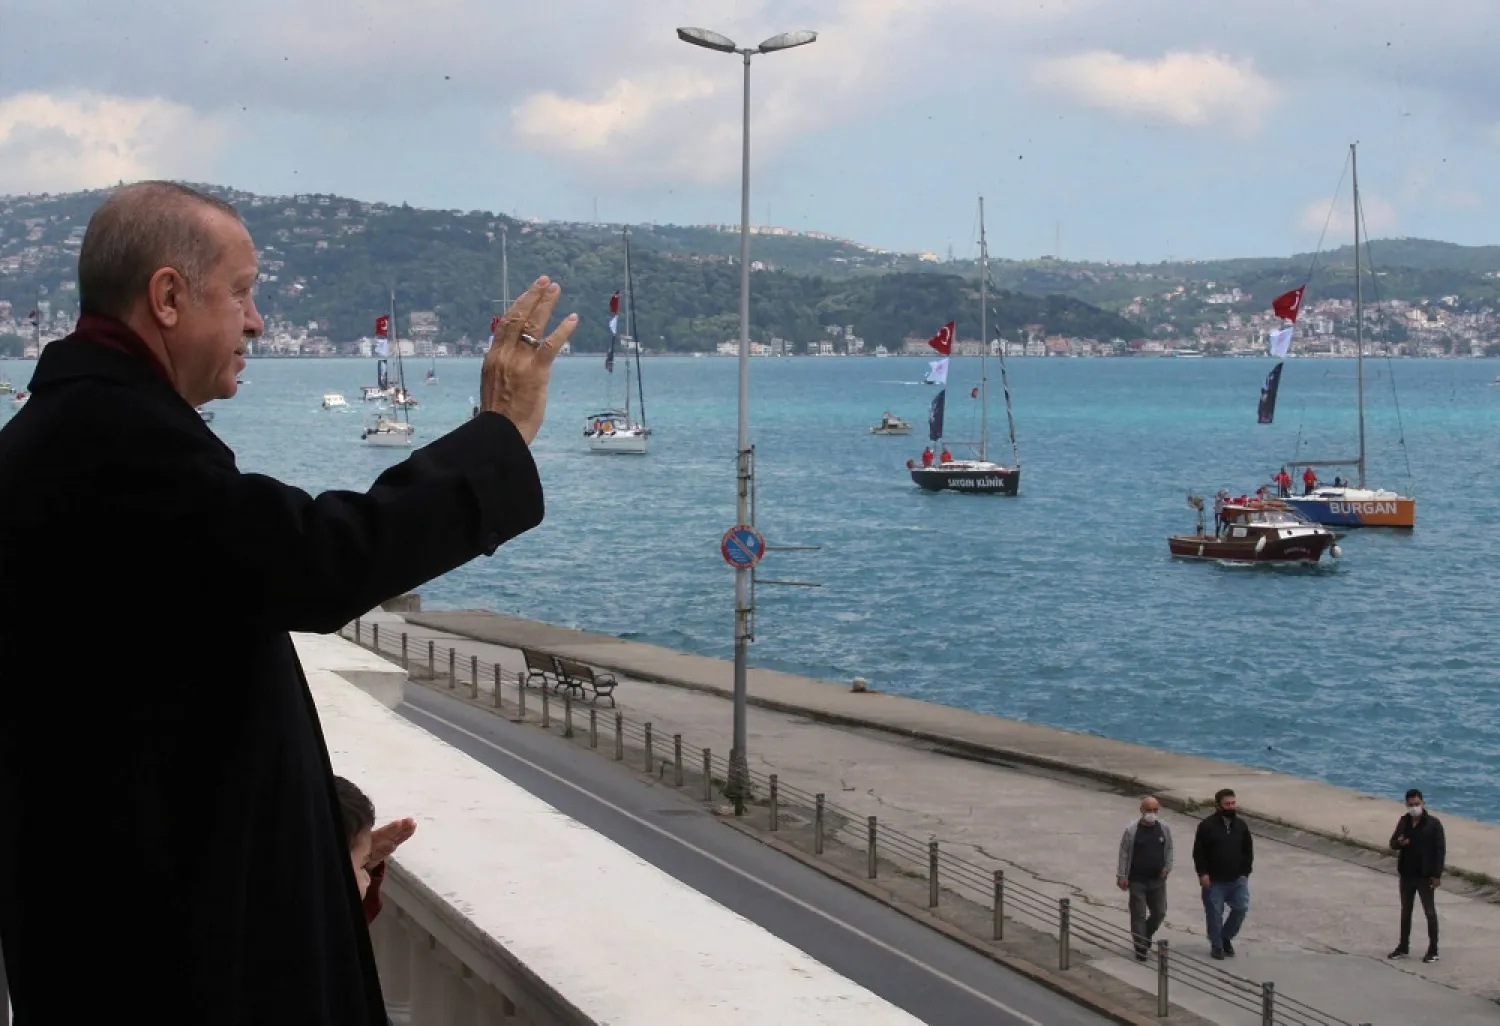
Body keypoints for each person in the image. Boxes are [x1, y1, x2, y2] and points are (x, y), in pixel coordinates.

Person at [0, 181, 576, 1024]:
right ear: (167, 297)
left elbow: (160, 718)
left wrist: (311, 849)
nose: (258, 321)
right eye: (241, 292)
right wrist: (498, 434)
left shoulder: (71, 430)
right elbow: (318, 560)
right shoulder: (113, 442)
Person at [1192, 788, 1253, 959]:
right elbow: (1198, 852)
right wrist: (1202, 874)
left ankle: (1226, 937)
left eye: (1233, 803)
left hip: (1237, 880)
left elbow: (1248, 850)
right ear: (1217, 805)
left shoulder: (1241, 826)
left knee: (1241, 908)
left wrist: (1245, 873)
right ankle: (1217, 946)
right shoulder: (1206, 826)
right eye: (1227, 804)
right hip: (1214, 881)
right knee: (1214, 914)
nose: (1231, 807)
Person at [1388, 788, 1445, 964]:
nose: (1414, 807)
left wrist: (1436, 875)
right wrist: (1400, 843)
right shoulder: (1404, 821)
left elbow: (1440, 851)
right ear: (1406, 805)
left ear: (1423, 803)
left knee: (1429, 912)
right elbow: (1392, 843)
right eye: (1411, 805)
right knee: (1406, 911)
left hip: (1425, 875)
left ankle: (1433, 950)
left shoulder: (1433, 824)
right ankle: (1403, 947)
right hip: (1407, 874)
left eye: (1417, 804)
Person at [1117, 795, 1174, 961]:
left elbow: (1169, 848)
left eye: (1155, 810)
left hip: (1157, 880)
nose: (1152, 813)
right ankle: (1140, 946)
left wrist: (1167, 867)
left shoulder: (1164, 828)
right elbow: (1124, 853)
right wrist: (1122, 875)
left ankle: (1145, 935)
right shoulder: (1132, 830)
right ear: (1141, 810)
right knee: (1138, 914)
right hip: (1137, 880)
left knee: (1160, 912)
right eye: (1148, 810)